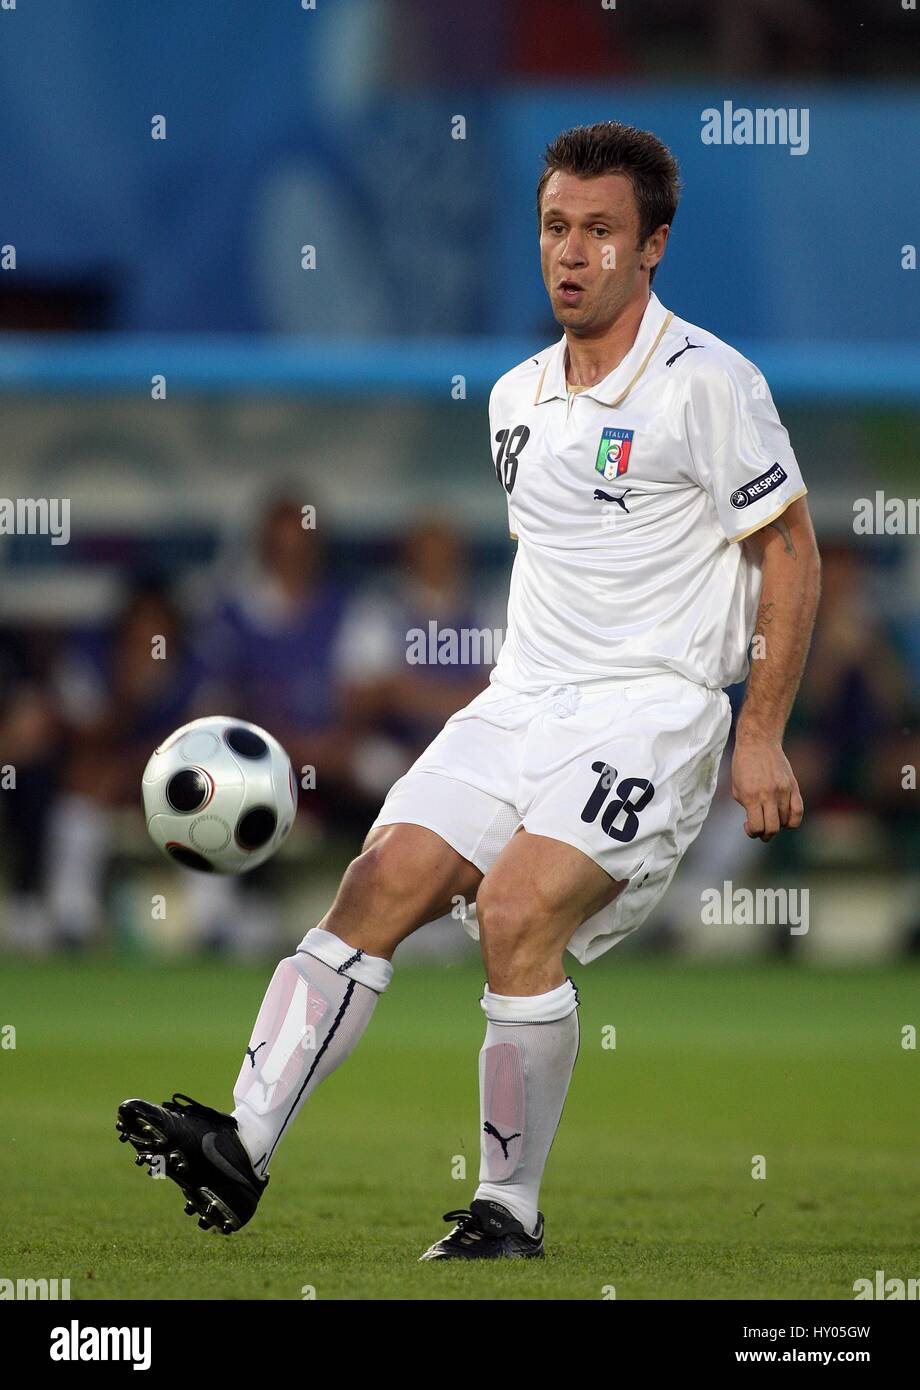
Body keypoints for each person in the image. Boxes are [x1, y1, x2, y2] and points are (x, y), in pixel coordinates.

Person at [117, 121, 821, 1258]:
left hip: (653, 708)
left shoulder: (709, 384)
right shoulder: (512, 399)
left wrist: (761, 732)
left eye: (600, 231)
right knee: (378, 879)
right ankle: (239, 1146)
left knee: (513, 912)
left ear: (651, 248)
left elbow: (786, 547)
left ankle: (508, 1208)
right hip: (518, 699)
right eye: (555, 227)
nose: (572, 252)